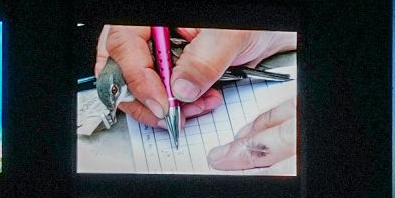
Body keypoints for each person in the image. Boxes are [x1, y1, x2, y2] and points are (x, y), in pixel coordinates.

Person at [93, 25, 298, 172]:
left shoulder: (143, 64)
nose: (115, 107)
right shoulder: (124, 74)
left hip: (233, 65)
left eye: (114, 93)